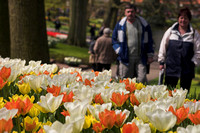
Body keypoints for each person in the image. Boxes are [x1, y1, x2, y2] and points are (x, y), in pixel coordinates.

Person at [158, 7, 200, 91]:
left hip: (187, 69)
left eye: (186, 18)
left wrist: (193, 63)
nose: (183, 20)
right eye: (181, 18)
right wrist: (161, 62)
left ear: (189, 20)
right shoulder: (170, 31)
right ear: (178, 19)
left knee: (184, 94)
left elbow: (198, 51)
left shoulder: (194, 34)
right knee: (168, 92)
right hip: (171, 68)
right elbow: (163, 46)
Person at [112, 3, 154, 84]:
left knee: (142, 79)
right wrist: (119, 51)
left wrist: (150, 55)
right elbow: (114, 40)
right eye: (128, 12)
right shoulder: (120, 25)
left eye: (132, 12)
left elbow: (149, 41)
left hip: (141, 57)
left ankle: (139, 96)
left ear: (135, 12)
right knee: (125, 81)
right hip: (125, 58)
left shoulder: (144, 24)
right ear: (125, 13)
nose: (130, 14)